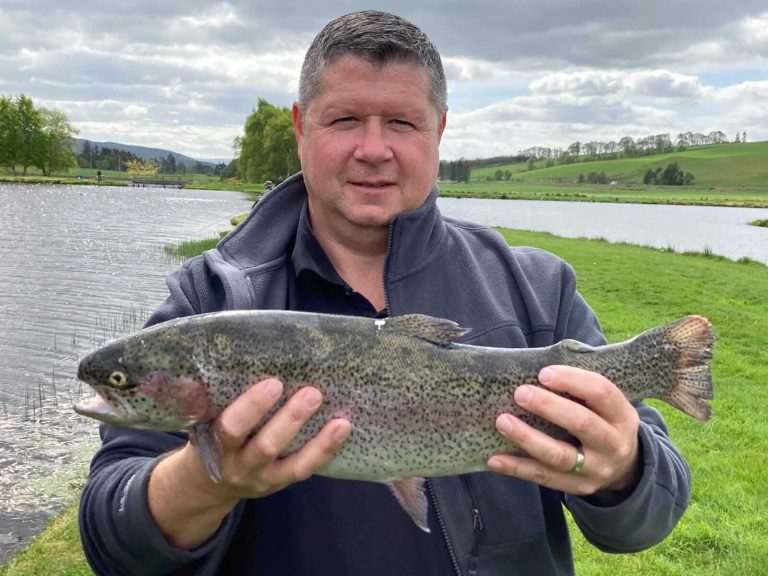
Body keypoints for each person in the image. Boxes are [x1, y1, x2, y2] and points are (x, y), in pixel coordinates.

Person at [79, 10, 692, 576]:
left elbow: (651, 517)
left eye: (401, 122)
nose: (373, 150)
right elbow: (112, 540)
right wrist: (204, 482)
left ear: (439, 130)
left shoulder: (537, 289)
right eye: (345, 120)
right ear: (301, 127)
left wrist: (624, 468)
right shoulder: (208, 301)